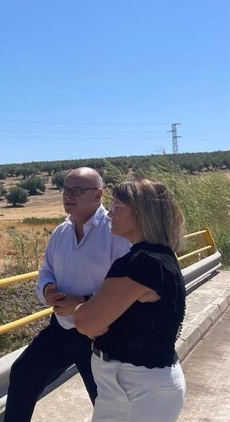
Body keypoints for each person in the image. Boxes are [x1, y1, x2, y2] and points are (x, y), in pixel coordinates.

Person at [4, 167, 130, 422]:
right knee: (23, 374)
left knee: (108, 405)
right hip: (61, 331)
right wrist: (48, 291)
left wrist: (83, 303)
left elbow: (126, 286)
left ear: (98, 195)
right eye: (66, 189)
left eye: (77, 190)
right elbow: (46, 272)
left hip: (100, 336)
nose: (68, 195)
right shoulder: (61, 233)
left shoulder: (115, 233)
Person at [73, 179, 186, 421]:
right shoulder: (160, 257)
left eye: (117, 207)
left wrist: (85, 312)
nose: (110, 213)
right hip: (140, 386)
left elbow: (86, 322)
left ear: (143, 213)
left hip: (134, 389)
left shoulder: (142, 263)